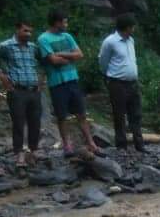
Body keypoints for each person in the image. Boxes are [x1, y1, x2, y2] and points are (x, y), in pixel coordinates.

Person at [37, 10, 99, 156]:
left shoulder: (67, 36)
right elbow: (53, 61)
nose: (66, 24)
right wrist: (67, 58)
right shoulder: (43, 39)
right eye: (64, 22)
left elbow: (80, 54)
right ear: (57, 23)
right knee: (61, 115)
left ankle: (91, 143)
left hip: (72, 79)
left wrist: (61, 54)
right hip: (56, 82)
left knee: (81, 113)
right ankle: (66, 145)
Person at [0, 18, 43, 168]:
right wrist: (0, 74)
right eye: (25, 30)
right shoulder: (6, 46)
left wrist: (41, 79)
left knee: (35, 122)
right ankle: (19, 154)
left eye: (30, 31)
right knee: (18, 122)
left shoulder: (33, 47)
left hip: (33, 90)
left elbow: (43, 62)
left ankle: (33, 151)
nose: (28, 34)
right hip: (17, 90)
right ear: (17, 30)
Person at [98, 13, 144, 152]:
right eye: (132, 27)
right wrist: (109, 75)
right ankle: (121, 145)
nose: (134, 29)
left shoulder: (131, 41)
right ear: (126, 27)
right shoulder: (110, 41)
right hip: (117, 83)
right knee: (119, 114)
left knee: (136, 114)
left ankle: (139, 144)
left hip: (132, 83)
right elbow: (103, 60)